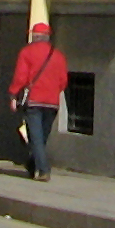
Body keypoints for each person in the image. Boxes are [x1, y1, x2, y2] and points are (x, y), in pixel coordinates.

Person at [8, 19, 69, 180]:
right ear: (48, 38)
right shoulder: (58, 55)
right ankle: (32, 164)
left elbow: (21, 77)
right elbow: (63, 81)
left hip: (34, 101)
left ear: (34, 37)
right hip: (52, 102)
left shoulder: (26, 53)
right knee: (41, 138)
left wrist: (14, 95)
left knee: (35, 137)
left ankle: (43, 170)